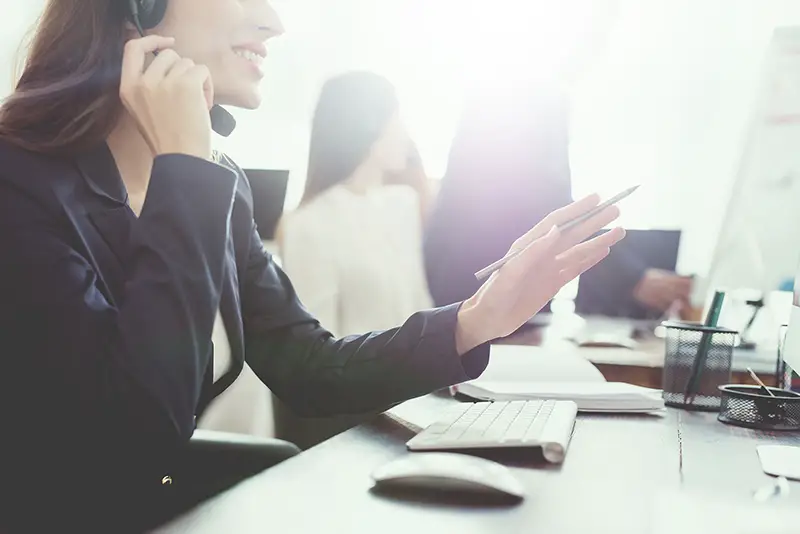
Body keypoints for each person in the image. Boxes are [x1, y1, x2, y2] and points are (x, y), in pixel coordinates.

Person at [0, 0, 624, 530]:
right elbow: (130, 438)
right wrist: (185, 170)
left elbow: (310, 365)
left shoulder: (218, 182)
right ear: (137, 8)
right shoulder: (19, 180)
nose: (274, 23)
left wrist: (477, 317)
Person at [424, 80, 691, 318]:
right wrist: (632, 277)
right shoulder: (528, 99)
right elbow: (556, 211)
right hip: (489, 304)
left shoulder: (493, 97)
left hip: (451, 299)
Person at [279, 71, 433, 337]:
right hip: (363, 377)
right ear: (370, 126)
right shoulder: (308, 224)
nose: (405, 134)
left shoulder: (403, 205)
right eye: (397, 118)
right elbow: (316, 347)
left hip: (421, 373)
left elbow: (421, 308)